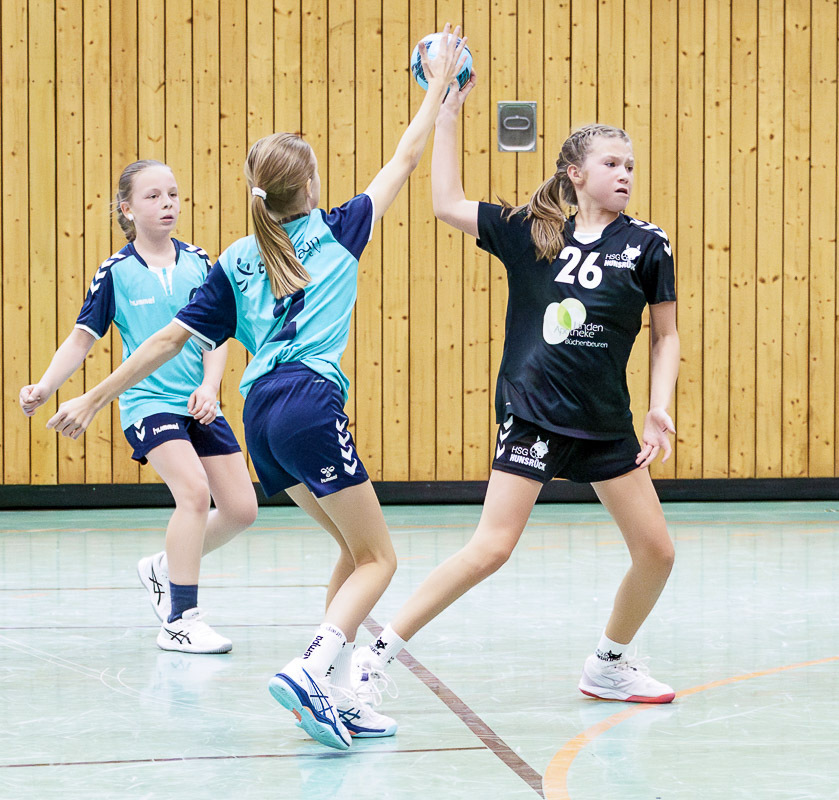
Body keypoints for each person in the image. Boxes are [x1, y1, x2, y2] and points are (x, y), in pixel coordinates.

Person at [46, 25, 471, 750]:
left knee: (351, 548)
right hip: (309, 402)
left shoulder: (234, 259)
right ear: (308, 186)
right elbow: (405, 156)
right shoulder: (339, 230)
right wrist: (438, 87)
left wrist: (93, 396)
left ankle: (335, 692)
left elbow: (165, 341)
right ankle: (312, 669)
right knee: (381, 558)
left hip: (262, 413)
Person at [357, 73, 681, 705]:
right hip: (533, 412)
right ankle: (374, 654)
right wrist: (447, 115)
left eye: (630, 165)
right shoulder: (533, 231)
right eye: (610, 163)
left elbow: (665, 335)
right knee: (492, 548)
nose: (624, 174)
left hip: (604, 421)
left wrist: (658, 408)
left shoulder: (648, 244)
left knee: (657, 553)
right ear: (575, 174)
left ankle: (609, 664)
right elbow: (447, 202)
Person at [21, 160, 257, 654]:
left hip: (199, 403)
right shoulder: (116, 273)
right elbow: (81, 338)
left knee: (241, 509)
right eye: (153, 196)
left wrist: (211, 386)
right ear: (127, 209)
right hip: (148, 404)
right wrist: (45, 385)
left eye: (172, 194)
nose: (167, 203)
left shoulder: (201, 263)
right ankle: (181, 619)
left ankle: (163, 567)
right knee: (194, 493)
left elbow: (217, 335)